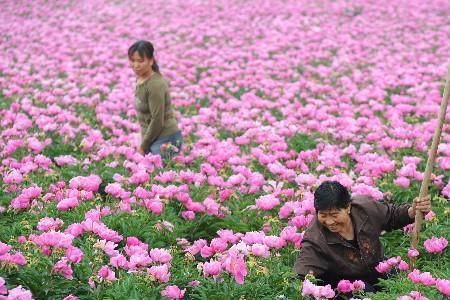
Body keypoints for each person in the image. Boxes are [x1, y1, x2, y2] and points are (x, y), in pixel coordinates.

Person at [294, 181, 431, 292]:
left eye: (335, 215)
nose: (329, 222)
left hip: (377, 267)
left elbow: (391, 216)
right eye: (323, 215)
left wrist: (412, 211)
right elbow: (303, 274)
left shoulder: (365, 208)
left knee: (403, 282)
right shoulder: (315, 237)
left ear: (348, 207)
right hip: (346, 286)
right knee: (366, 291)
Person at [128, 40, 182, 159]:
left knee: (155, 175)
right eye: (132, 60)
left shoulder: (155, 85)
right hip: (152, 138)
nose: (135, 65)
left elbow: (157, 120)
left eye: (140, 61)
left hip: (165, 138)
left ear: (151, 60)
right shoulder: (141, 78)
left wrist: (143, 146)